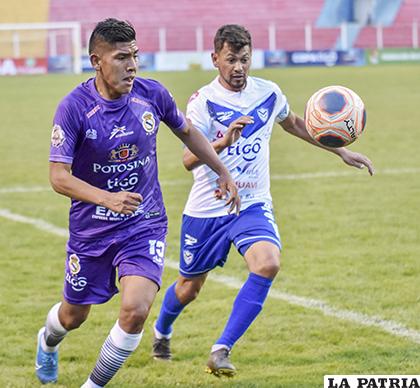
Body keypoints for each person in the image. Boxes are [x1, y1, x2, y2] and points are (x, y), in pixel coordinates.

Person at [152, 24, 374, 377]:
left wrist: (339, 151)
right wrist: (222, 141)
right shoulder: (203, 102)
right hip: (208, 208)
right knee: (189, 288)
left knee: (268, 263)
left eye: (244, 59)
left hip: (252, 202)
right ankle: (162, 331)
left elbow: (295, 123)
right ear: (215, 60)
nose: (238, 67)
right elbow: (187, 160)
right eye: (231, 60)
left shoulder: (268, 93)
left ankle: (221, 350)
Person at [35, 18, 240, 387]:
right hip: (91, 230)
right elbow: (58, 177)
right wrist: (107, 198)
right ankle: (47, 342)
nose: (131, 65)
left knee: (135, 311)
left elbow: (188, 132)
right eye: (120, 57)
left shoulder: (152, 94)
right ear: (97, 61)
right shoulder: (74, 108)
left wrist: (221, 169)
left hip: (143, 224)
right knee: (73, 316)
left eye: (135, 56)